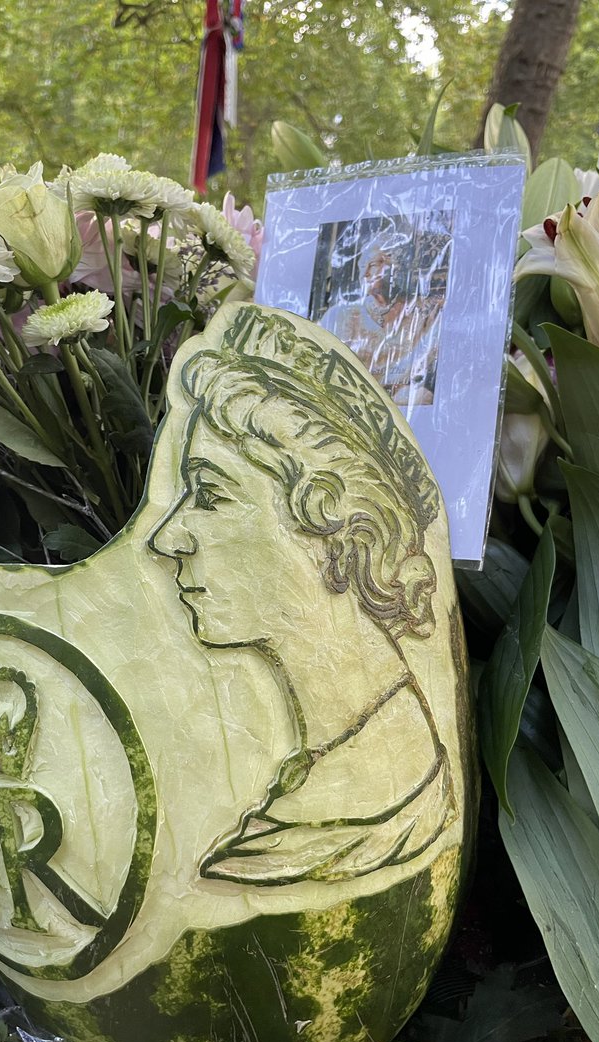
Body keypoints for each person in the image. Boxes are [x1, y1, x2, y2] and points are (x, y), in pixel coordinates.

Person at [149, 306, 457, 885]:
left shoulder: (381, 799)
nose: (168, 538)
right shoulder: (317, 774)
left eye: (210, 496)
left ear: (340, 532)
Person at [323, 226, 451, 408]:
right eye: (362, 267)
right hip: (354, 405)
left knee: (421, 396)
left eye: (373, 265)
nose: (365, 273)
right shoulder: (341, 315)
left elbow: (426, 360)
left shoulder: (426, 311)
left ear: (396, 267)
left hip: (401, 403)